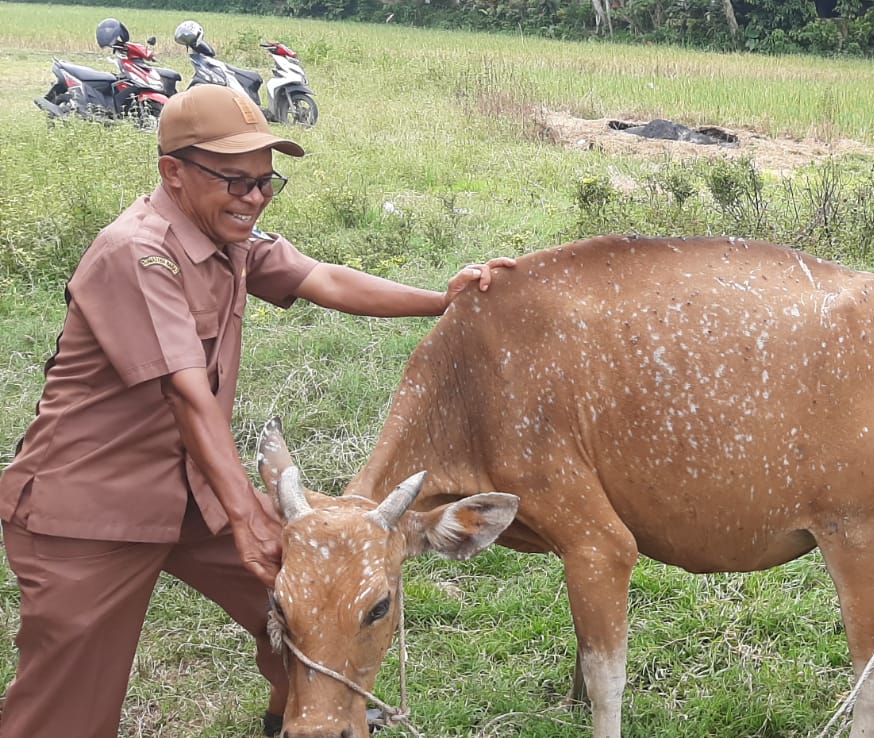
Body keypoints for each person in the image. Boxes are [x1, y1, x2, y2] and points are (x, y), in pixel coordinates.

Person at [0, 84, 516, 738]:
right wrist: (248, 517)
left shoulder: (231, 237)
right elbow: (186, 392)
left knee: (312, 623)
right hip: (90, 508)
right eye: (235, 182)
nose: (254, 199)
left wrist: (441, 301)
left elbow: (323, 279)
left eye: (266, 183)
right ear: (174, 173)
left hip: (196, 492)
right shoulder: (137, 250)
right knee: (67, 714)